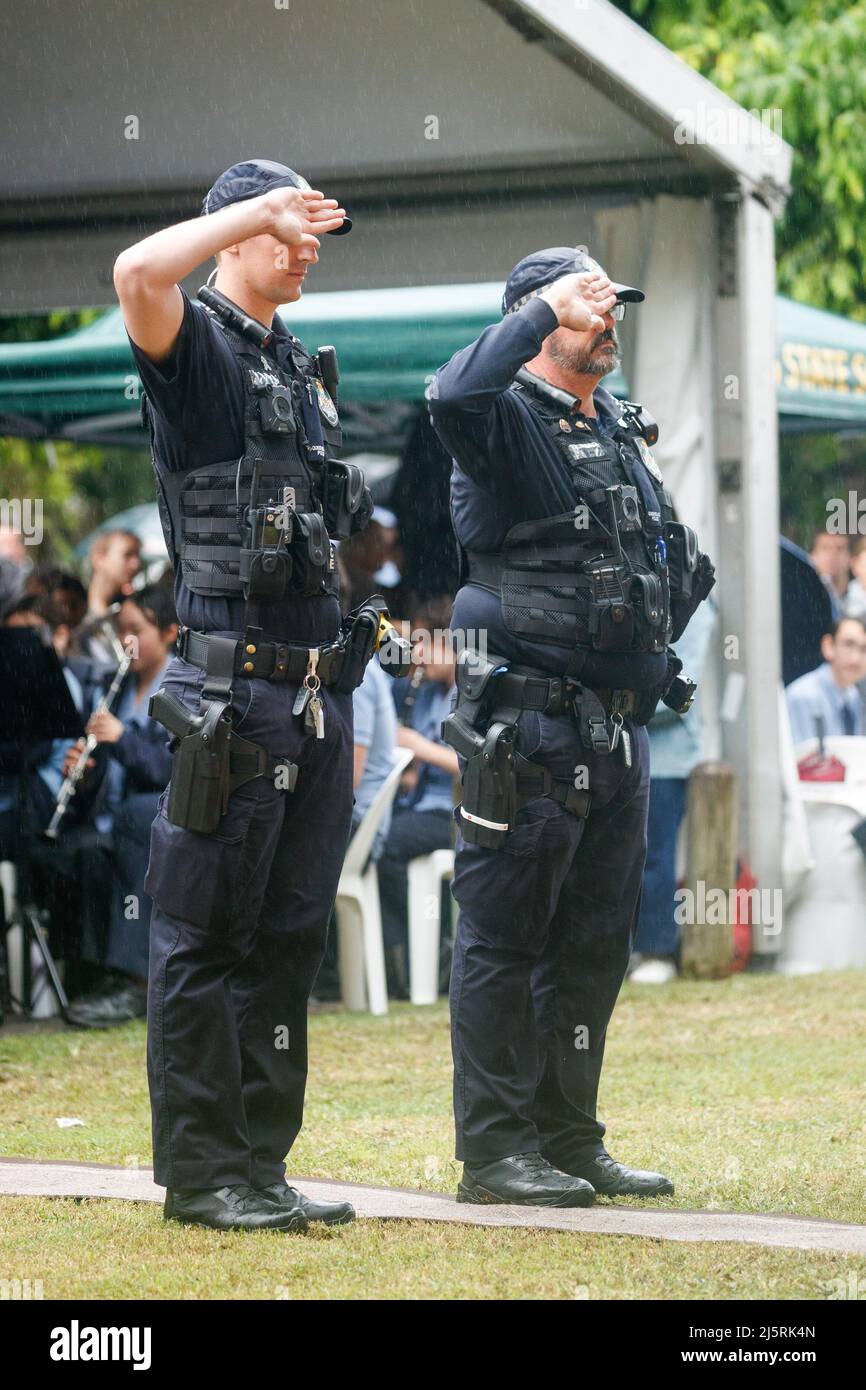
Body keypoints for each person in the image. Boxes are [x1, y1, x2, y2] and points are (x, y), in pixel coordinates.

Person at [113, 157, 386, 1233]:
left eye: (310, 227)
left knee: (283, 942)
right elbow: (134, 269)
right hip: (229, 698)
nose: (303, 243)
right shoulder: (197, 348)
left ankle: (258, 1165)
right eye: (284, 225)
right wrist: (244, 212)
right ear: (232, 234)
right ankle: (201, 1172)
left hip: (313, 700)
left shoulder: (293, 366)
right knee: (202, 936)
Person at [427, 246, 715, 1207]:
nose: (609, 321)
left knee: (593, 947)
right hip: (529, 736)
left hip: (619, 734)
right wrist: (540, 310)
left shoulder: (617, 428)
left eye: (613, 306)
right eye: (587, 307)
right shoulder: (503, 421)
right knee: (505, 943)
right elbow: (451, 395)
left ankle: (567, 1136)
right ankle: (497, 1152)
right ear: (537, 317)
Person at [61, 586, 178, 1027]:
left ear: (170, 632)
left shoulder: (180, 686)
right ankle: (96, 978)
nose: (126, 642)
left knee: (132, 820)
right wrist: (85, 773)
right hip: (119, 820)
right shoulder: (118, 689)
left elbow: (171, 767)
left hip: (163, 817)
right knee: (83, 851)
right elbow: (108, 779)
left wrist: (123, 740)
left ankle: (136, 982)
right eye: (121, 632)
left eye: (136, 631)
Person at [630, 598, 716, 984]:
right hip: (623, 752)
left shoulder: (694, 607)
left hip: (667, 758)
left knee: (654, 856)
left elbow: (681, 692)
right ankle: (629, 949)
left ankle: (657, 951)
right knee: (622, 856)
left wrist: (620, 699)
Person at [377, 598, 458, 997]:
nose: (419, 654)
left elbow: (472, 763)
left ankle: (429, 946)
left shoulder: (470, 694)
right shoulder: (422, 691)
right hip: (423, 804)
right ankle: (412, 965)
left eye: (429, 644)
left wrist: (418, 749)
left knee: (386, 846)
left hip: (454, 814)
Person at [785, 615, 866, 745]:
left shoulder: (853, 695)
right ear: (828, 646)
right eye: (848, 644)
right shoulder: (803, 696)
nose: (855, 658)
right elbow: (802, 759)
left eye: (864, 649)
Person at [810, 530, 850, 606]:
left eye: (839, 548)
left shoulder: (861, 599)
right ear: (812, 557)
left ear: (850, 558)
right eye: (825, 548)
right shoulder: (803, 598)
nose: (832, 554)